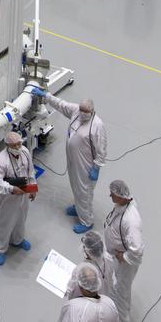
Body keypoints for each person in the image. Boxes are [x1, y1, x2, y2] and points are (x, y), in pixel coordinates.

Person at [31, 88, 107, 232]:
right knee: (75, 186)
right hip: (73, 161)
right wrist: (46, 95)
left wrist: (96, 167)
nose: (83, 113)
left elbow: (102, 149)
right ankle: (79, 208)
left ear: (92, 111)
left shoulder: (97, 125)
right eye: (81, 110)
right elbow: (61, 104)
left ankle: (86, 221)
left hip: (86, 165)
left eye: (86, 111)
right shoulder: (76, 112)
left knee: (84, 192)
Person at [0, 130, 37, 265]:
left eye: (19, 144)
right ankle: (0, 249)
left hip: (24, 193)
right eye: (14, 145)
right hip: (8, 198)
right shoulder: (1, 160)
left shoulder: (25, 152)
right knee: (5, 223)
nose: (17, 147)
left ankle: (18, 240)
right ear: (7, 145)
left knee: (21, 218)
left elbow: (30, 171)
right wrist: (11, 189)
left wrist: (33, 188)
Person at [103, 179, 144, 322]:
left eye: (112, 194)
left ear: (121, 196)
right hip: (116, 256)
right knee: (116, 287)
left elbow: (138, 249)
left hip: (125, 263)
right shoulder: (122, 205)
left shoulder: (131, 220)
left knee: (121, 290)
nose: (110, 196)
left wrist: (124, 257)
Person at [65, 230, 114, 300]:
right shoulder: (108, 258)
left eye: (84, 247)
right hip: (105, 295)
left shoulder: (82, 269)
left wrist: (68, 292)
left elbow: (70, 290)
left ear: (87, 251)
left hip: (89, 299)